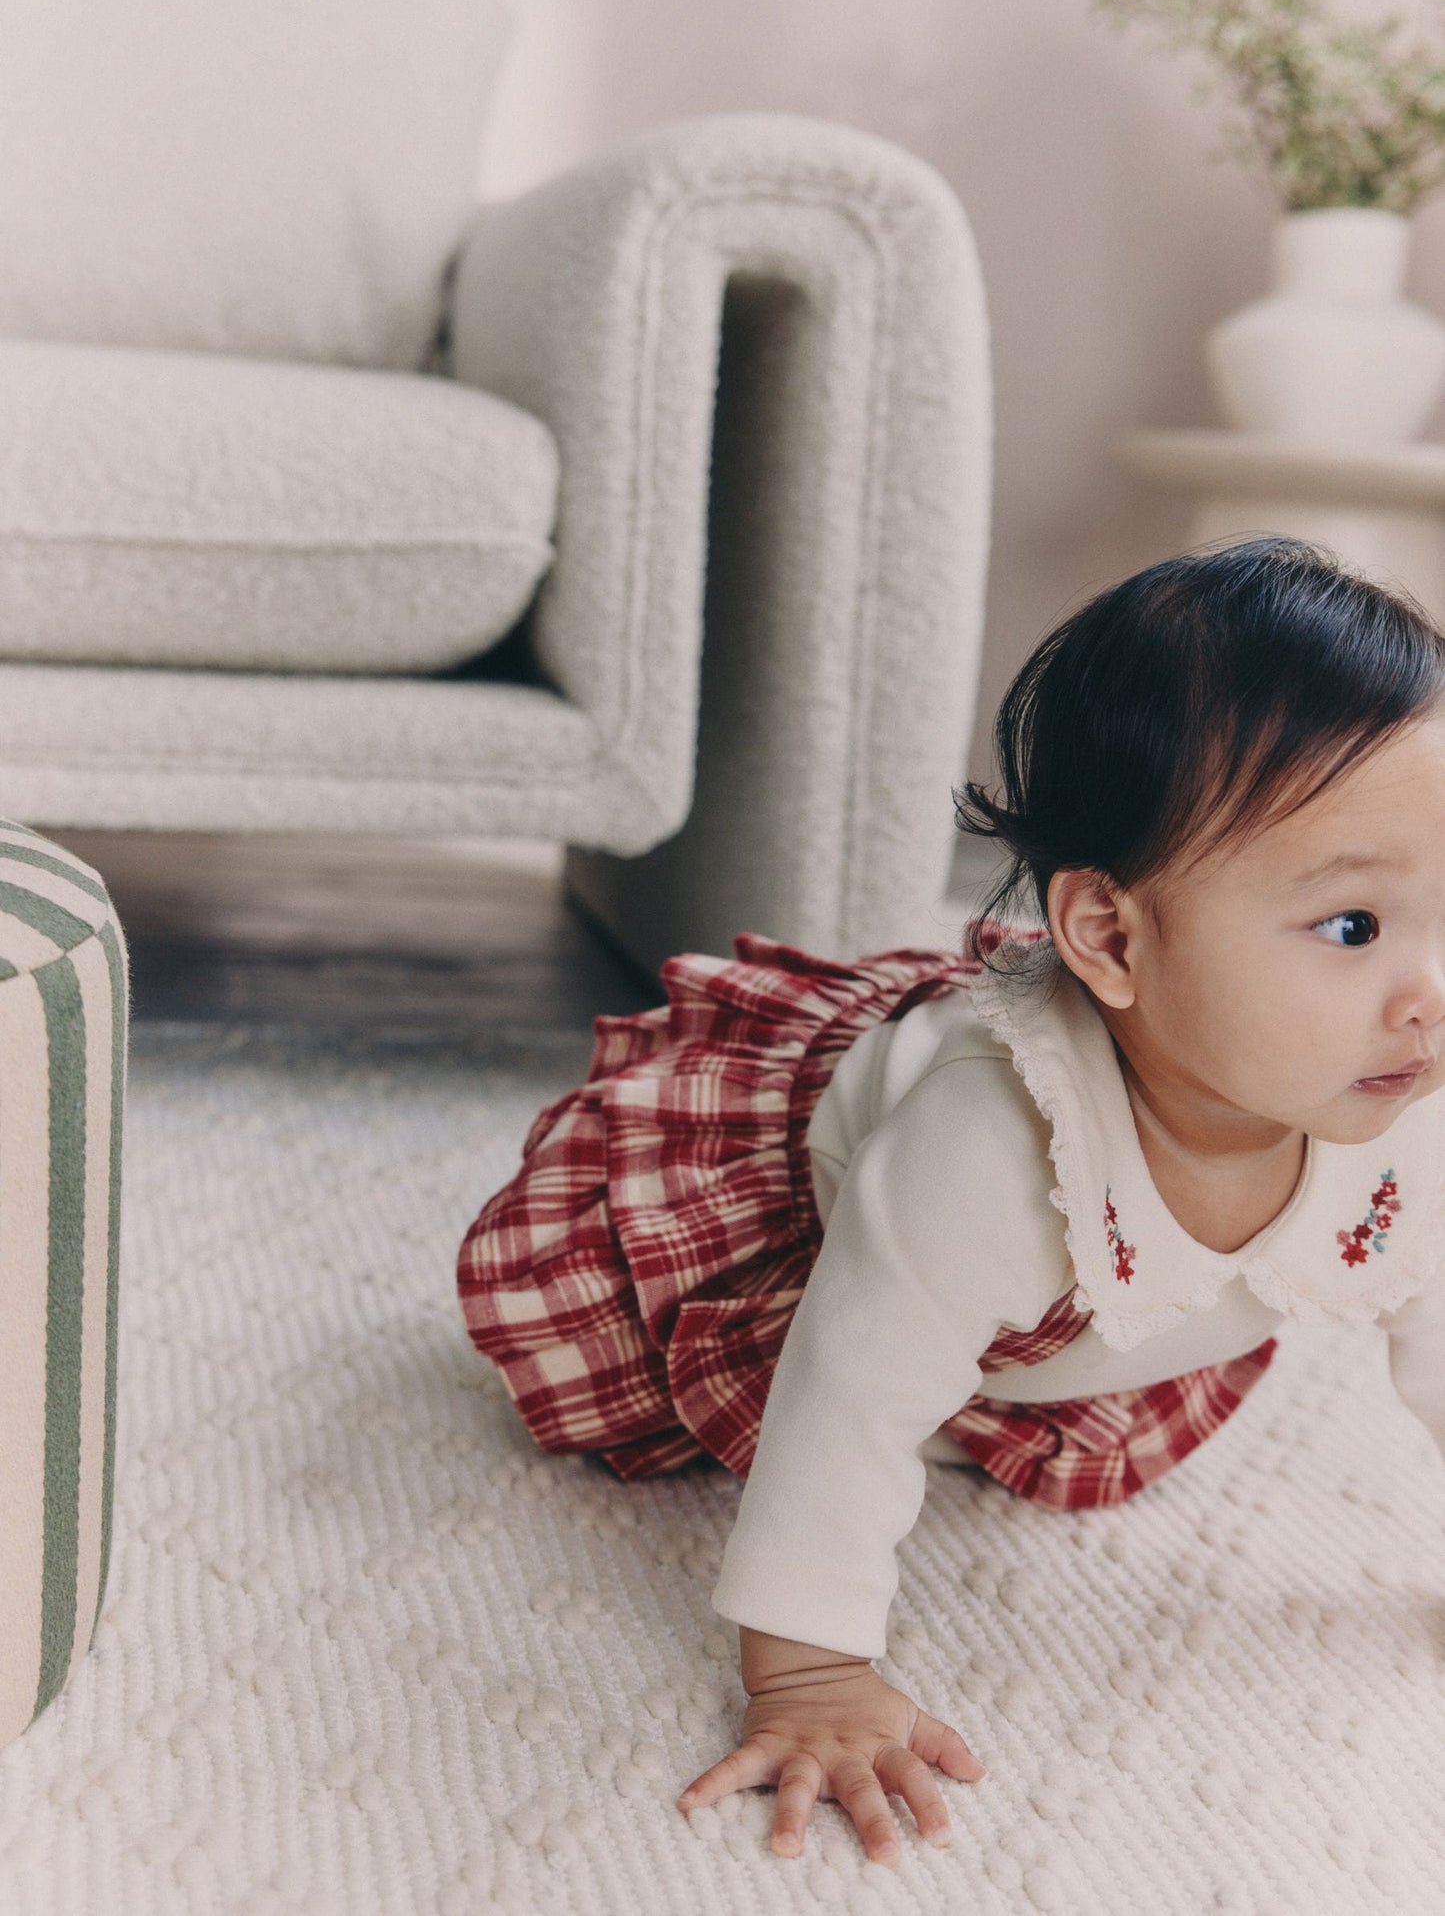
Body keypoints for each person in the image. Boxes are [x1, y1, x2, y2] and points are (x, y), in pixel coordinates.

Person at [455, 536, 1445, 1869]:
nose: (1425, 992)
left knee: (1064, 1372)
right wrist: (807, 1675)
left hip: (1075, 1308)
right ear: (1106, 937)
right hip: (817, 1238)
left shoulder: (1392, 1097)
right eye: (1350, 928)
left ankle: (1014, 1366)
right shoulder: (984, 1144)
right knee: (803, 1359)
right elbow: (846, 1397)